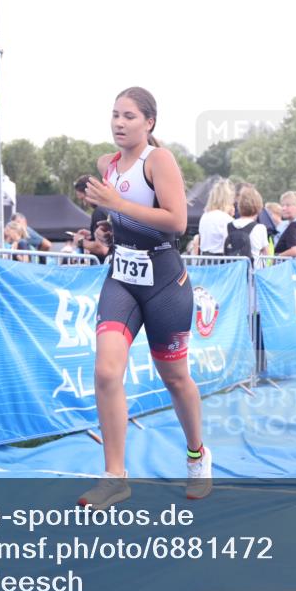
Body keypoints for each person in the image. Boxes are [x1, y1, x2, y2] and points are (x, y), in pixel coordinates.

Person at [77, 86, 210, 509]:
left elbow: (175, 222)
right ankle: (115, 477)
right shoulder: (106, 164)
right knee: (105, 370)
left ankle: (196, 454)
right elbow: (117, 215)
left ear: (149, 123)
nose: (119, 122)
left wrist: (116, 202)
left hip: (164, 282)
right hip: (121, 276)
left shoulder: (160, 160)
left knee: (174, 378)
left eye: (129, 116)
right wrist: (105, 230)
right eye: (115, 114)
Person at [72, 174, 110, 262]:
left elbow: (102, 248)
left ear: (89, 192)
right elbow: (107, 240)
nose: (84, 203)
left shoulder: (99, 212)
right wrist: (92, 234)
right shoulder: (107, 208)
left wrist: (80, 241)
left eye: (83, 199)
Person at [227, 183, 269, 263]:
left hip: (234, 269)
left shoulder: (230, 225)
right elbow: (266, 253)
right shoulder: (260, 228)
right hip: (253, 268)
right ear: (259, 207)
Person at [197, 178, 235, 255]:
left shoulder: (204, 216)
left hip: (204, 259)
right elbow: (229, 243)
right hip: (221, 261)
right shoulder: (226, 219)